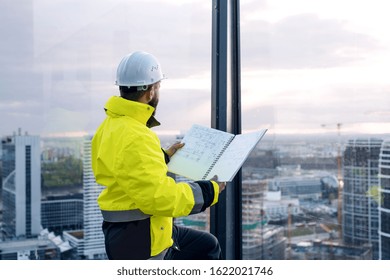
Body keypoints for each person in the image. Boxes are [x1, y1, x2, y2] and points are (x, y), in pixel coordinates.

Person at [91, 51, 226, 260]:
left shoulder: (110, 126)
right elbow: (160, 198)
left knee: (207, 245)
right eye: (159, 87)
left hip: (128, 231)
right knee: (206, 249)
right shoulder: (137, 136)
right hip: (142, 238)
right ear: (151, 91)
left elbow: (126, 167)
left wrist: (162, 156)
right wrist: (209, 190)